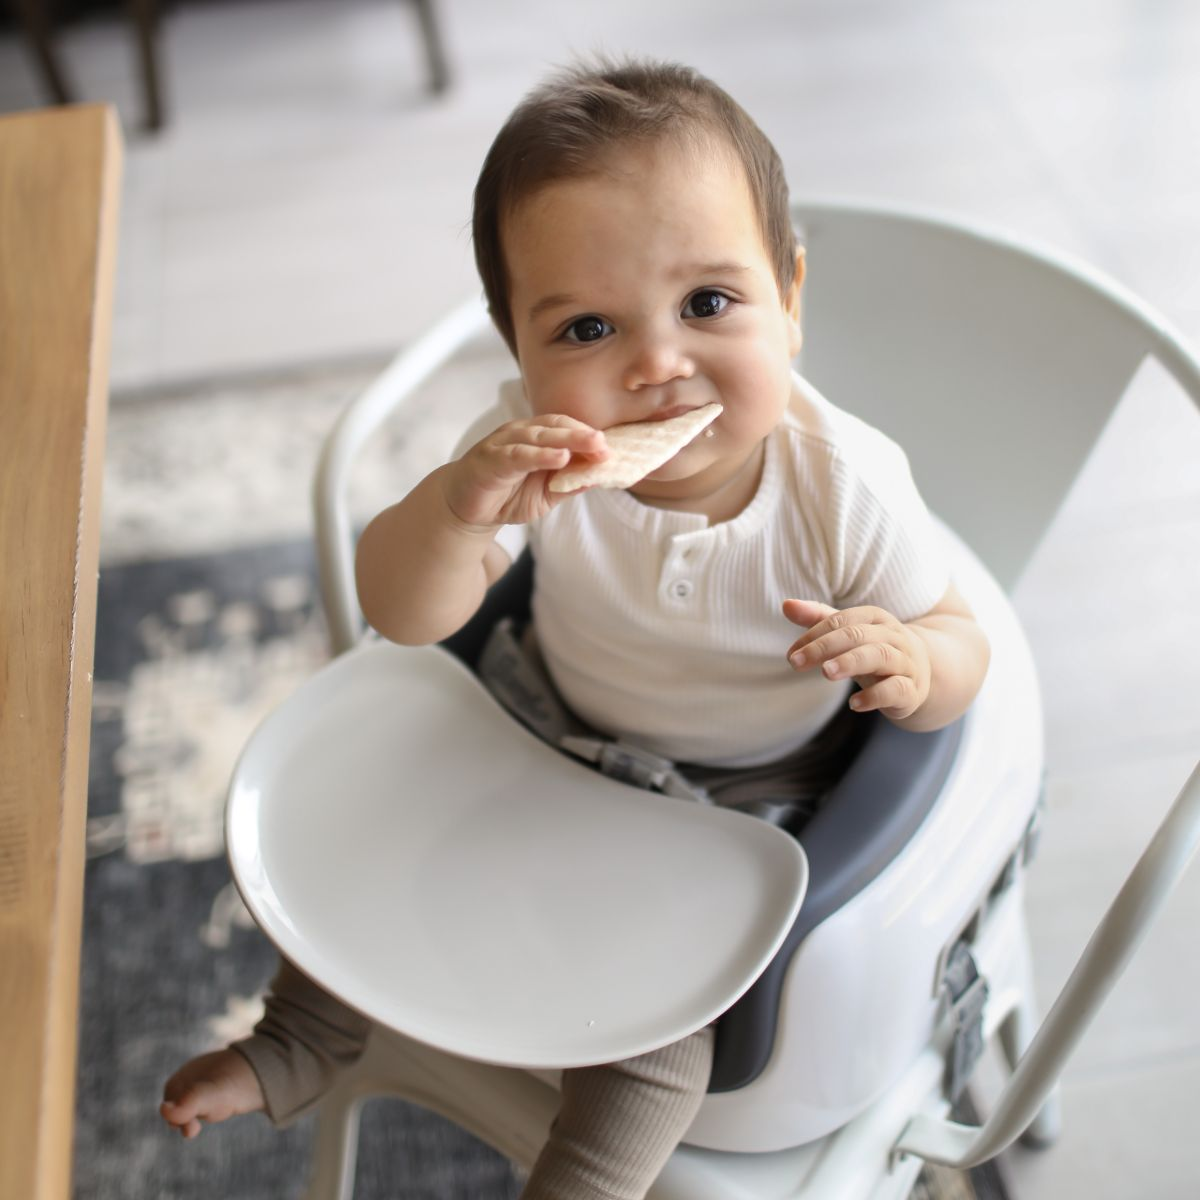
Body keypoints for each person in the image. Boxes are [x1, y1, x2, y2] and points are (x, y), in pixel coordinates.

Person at [161, 57, 990, 1198]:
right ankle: (301, 1039)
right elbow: (403, 617)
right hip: (549, 718)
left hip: (737, 790)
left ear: (790, 299)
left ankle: (584, 1182)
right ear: (523, 357)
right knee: (378, 820)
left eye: (709, 304)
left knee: (656, 1025)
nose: (656, 365)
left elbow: (961, 648)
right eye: (590, 328)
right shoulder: (535, 454)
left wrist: (912, 662)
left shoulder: (844, 489)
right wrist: (454, 510)